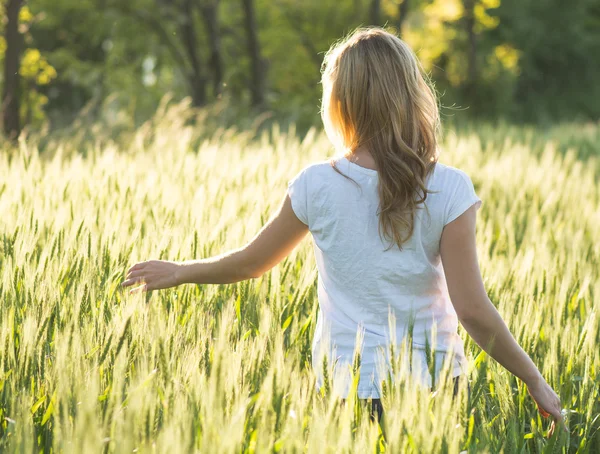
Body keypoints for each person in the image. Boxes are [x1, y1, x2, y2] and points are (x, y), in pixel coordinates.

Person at [122, 27, 565, 435]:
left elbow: (253, 263)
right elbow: (470, 308)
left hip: (350, 385)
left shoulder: (317, 184)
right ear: (411, 93)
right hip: (434, 385)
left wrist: (181, 270)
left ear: (339, 101)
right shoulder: (449, 186)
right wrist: (535, 380)